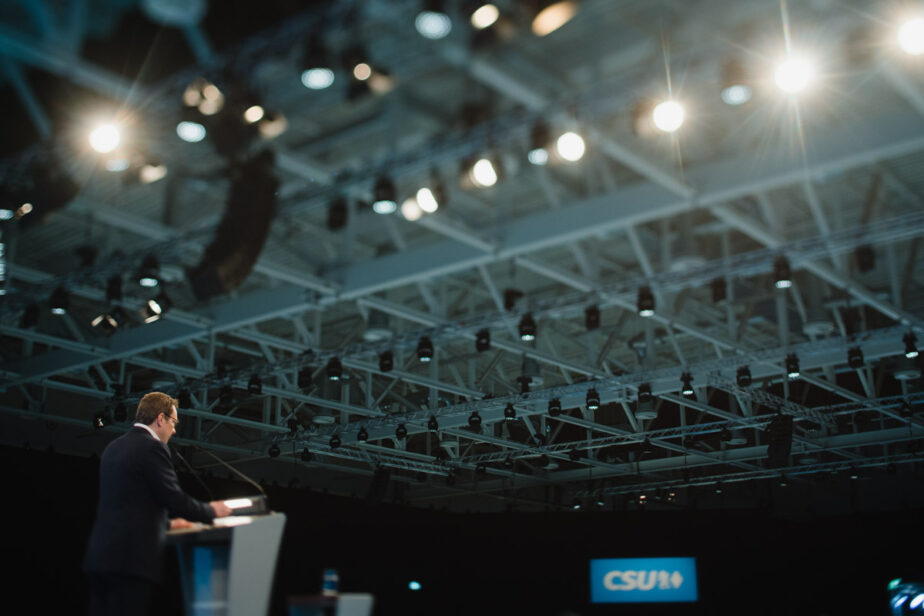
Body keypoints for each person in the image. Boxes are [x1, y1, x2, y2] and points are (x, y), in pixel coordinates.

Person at [84, 392, 233, 616]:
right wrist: (211, 510)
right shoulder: (152, 447)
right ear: (160, 419)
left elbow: (128, 502)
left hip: (101, 558)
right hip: (131, 562)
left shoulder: (113, 447)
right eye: (174, 422)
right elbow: (172, 498)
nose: (174, 430)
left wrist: (166, 524)